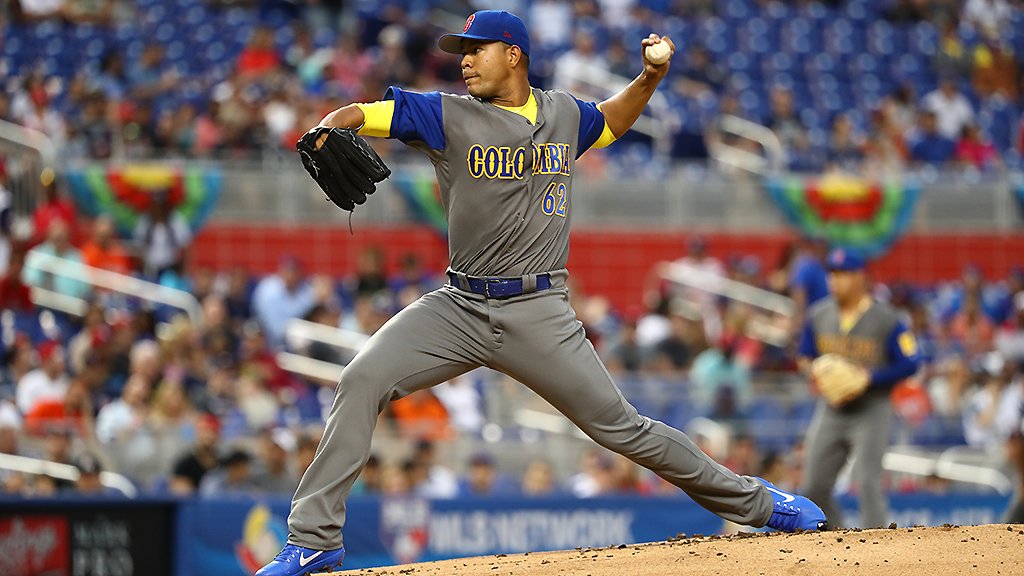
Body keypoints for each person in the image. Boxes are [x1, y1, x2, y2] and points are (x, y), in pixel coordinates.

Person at [257, 12, 826, 576]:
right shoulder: (445, 114)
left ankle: (761, 504)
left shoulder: (561, 113)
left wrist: (650, 77)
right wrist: (333, 122)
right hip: (458, 306)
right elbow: (372, 113)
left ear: (513, 54)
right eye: (463, 50)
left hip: (539, 310)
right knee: (360, 379)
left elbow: (608, 121)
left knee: (623, 429)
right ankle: (314, 540)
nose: (465, 59)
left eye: (476, 49)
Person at [798, 249, 922, 528]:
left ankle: (877, 550)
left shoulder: (887, 319)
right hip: (832, 409)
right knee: (812, 486)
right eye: (832, 274)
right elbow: (805, 355)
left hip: (872, 408)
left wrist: (869, 377)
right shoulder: (819, 314)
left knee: (867, 483)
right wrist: (815, 371)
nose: (835, 280)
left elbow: (911, 362)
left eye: (842, 274)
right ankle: (838, 538)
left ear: (859, 277)